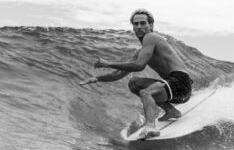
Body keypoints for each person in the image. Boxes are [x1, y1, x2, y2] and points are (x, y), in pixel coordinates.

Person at [79, 9, 193, 140]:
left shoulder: (151, 37)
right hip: (174, 88)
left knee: (146, 93)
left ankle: (150, 127)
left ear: (151, 25)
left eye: (143, 23)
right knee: (134, 83)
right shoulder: (141, 51)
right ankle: (171, 111)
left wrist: (108, 63)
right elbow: (118, 74)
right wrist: (97, 78)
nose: (139, 27)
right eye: (136, 24)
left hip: (181, 82)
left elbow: (139, 65)